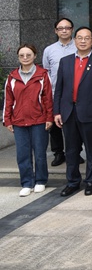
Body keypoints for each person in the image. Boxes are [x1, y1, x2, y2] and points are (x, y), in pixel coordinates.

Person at [54, 27, 92, 196]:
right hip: (68, 112)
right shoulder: (65, 61)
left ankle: (91, 181)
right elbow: (59, 89)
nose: (83, 41)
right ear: (74, 40)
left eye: (86, 38)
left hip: (90, 113)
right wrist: (57, 112)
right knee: (71, 150)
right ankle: (72, 182)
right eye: (79, 38)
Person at [4, 44, 53, 197]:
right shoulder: (12, 77)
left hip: (39, 120)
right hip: (19, 121)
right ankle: (27, 183)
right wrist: (7, 120)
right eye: (22, 55)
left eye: (28, 55)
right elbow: (8, 100)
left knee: (39, 153)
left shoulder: (42, 75)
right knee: (22, 154)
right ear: (18, 57)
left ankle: (40, 180)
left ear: (35, 56)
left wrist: (49, 117)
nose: (25, 58)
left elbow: (48, 99)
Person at [42, 17, 75, 167]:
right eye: (60, 28)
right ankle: (58, 153)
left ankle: (74, 152)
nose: (64, 31)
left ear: (72, 30)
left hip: (74, 94)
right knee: (55, 126)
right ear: (56, 31)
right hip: (55, 93)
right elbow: (47, 72)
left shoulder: (79, 46)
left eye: (67, 28)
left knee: (73, 125)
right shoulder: (49, 50)